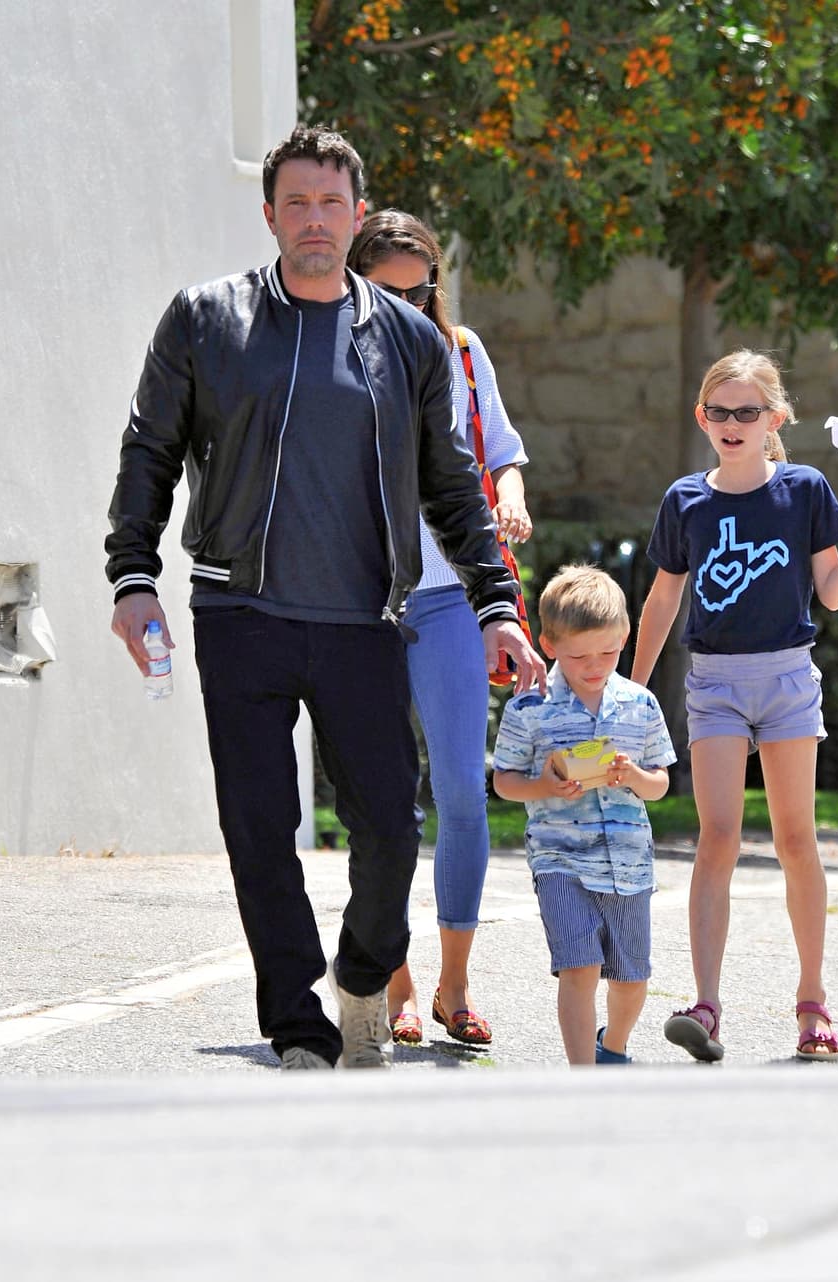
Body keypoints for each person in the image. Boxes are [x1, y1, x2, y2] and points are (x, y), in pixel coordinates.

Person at [106, 125, 545, 1071]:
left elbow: (453, 483)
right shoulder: (206, 319)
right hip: (240, 612)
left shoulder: (411, 341)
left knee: (392, 826)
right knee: (259, 828)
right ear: (270, 214)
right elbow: (150, 449)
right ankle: (297, 1022)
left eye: (331, 203)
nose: (315, 219)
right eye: (297, 203)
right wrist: (132, 576)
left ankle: (362, 973)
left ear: (356, 214)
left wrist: (496, 603)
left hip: (364, 620)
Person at [631, 350, 838, 1062]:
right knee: (718, 837)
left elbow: (833, 592)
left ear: (774, 419)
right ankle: (706, 1006)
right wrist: (632, 692)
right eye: (719, 411)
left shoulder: (804, 489)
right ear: (702, 417)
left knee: (795, 840)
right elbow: (663, 601)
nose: (732, 423)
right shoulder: (685, 500)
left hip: (787, 679)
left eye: (747, 412)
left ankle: (812, 1002)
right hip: (715, 684)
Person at [347, 209, 531, 1047]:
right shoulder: (327, 354)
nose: (406, 306)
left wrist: (511, 498)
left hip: (452, 591)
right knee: (383, 801)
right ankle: (398, 981)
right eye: (387, 292)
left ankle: (456, 985)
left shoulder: (462, 352)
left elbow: (500, 450)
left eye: (418, 291)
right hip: (365, 601)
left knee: (461, 790)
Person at [492, 566, 675, 1065]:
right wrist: (542, 786)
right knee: (579, 968)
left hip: (629, 866)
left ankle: (612, 1047)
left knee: (632, 979)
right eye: (579, 656)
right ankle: (583, 1077)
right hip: (559, 860)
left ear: (624, 638)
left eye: (608, 653)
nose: (595, 666)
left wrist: (634, 776)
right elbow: (504, 781)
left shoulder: (640, 704)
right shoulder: (529, 707)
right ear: (549, 645)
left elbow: (660, 783)